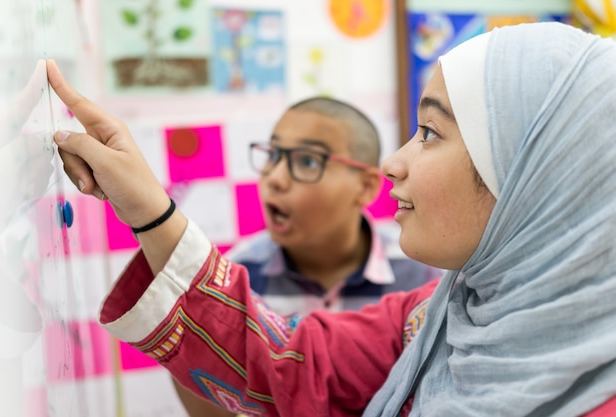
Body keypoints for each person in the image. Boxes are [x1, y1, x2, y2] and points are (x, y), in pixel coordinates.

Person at [47, 20, 616, 417]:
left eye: (430, 133)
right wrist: (149, 209)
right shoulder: (440, 312)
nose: (394, 163)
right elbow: (291, 366)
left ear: (533, 179)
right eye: (271, 156)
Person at [171, 96, 442, 416]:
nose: (275, 178)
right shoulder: (234, 281)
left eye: (307, 162)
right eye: (273, 155)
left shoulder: (424, 276)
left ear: (367, 187)